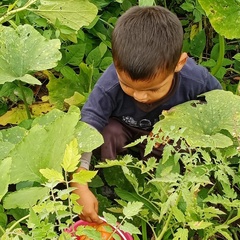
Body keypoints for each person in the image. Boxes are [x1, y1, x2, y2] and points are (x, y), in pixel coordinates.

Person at [72, 5, 222, 223]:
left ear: (179, 64)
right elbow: (89, 125)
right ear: (115, 63)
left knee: (183, 147)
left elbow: (221, 106)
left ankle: (169, 194)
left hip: (168, 137)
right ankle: (114, 186)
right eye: (128, 86)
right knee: (107, 132)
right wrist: (79, 179)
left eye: (152, 89)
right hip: (126, 130)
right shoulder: (110, 83)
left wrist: (182, 121)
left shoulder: (195, 79)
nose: (140, 96)